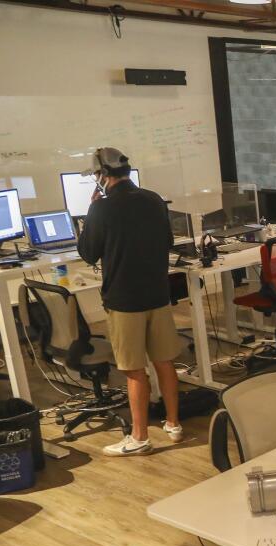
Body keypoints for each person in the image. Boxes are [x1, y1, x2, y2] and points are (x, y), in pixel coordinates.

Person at [77, 147, 182, 457]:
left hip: (124, 301)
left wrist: (90, 217)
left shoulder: (101, 208)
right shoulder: (153, 199)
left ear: (103, 176)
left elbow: (88, 253)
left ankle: (139, 437)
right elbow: (167, 241)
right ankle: (173, 424)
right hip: (157, 294)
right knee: (164, 361)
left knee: (134, 369)